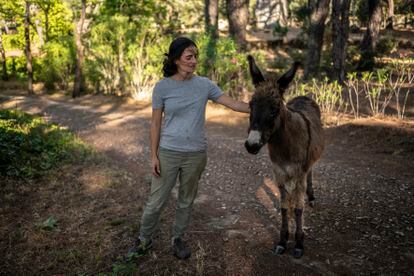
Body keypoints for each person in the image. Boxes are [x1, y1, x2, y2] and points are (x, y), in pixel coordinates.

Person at [130, 37, 249, 260]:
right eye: (189, 56)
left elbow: (232, 103)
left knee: (186, 200)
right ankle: (143, 240)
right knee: (156, 201)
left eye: (196, 56)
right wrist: (153, 155)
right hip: (168, 153)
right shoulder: (162, 87)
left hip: (195, 154)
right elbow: (155, 123)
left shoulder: (204, 85)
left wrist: (261, 106)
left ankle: (177, 239)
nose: (194, 61)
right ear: (176, 59)